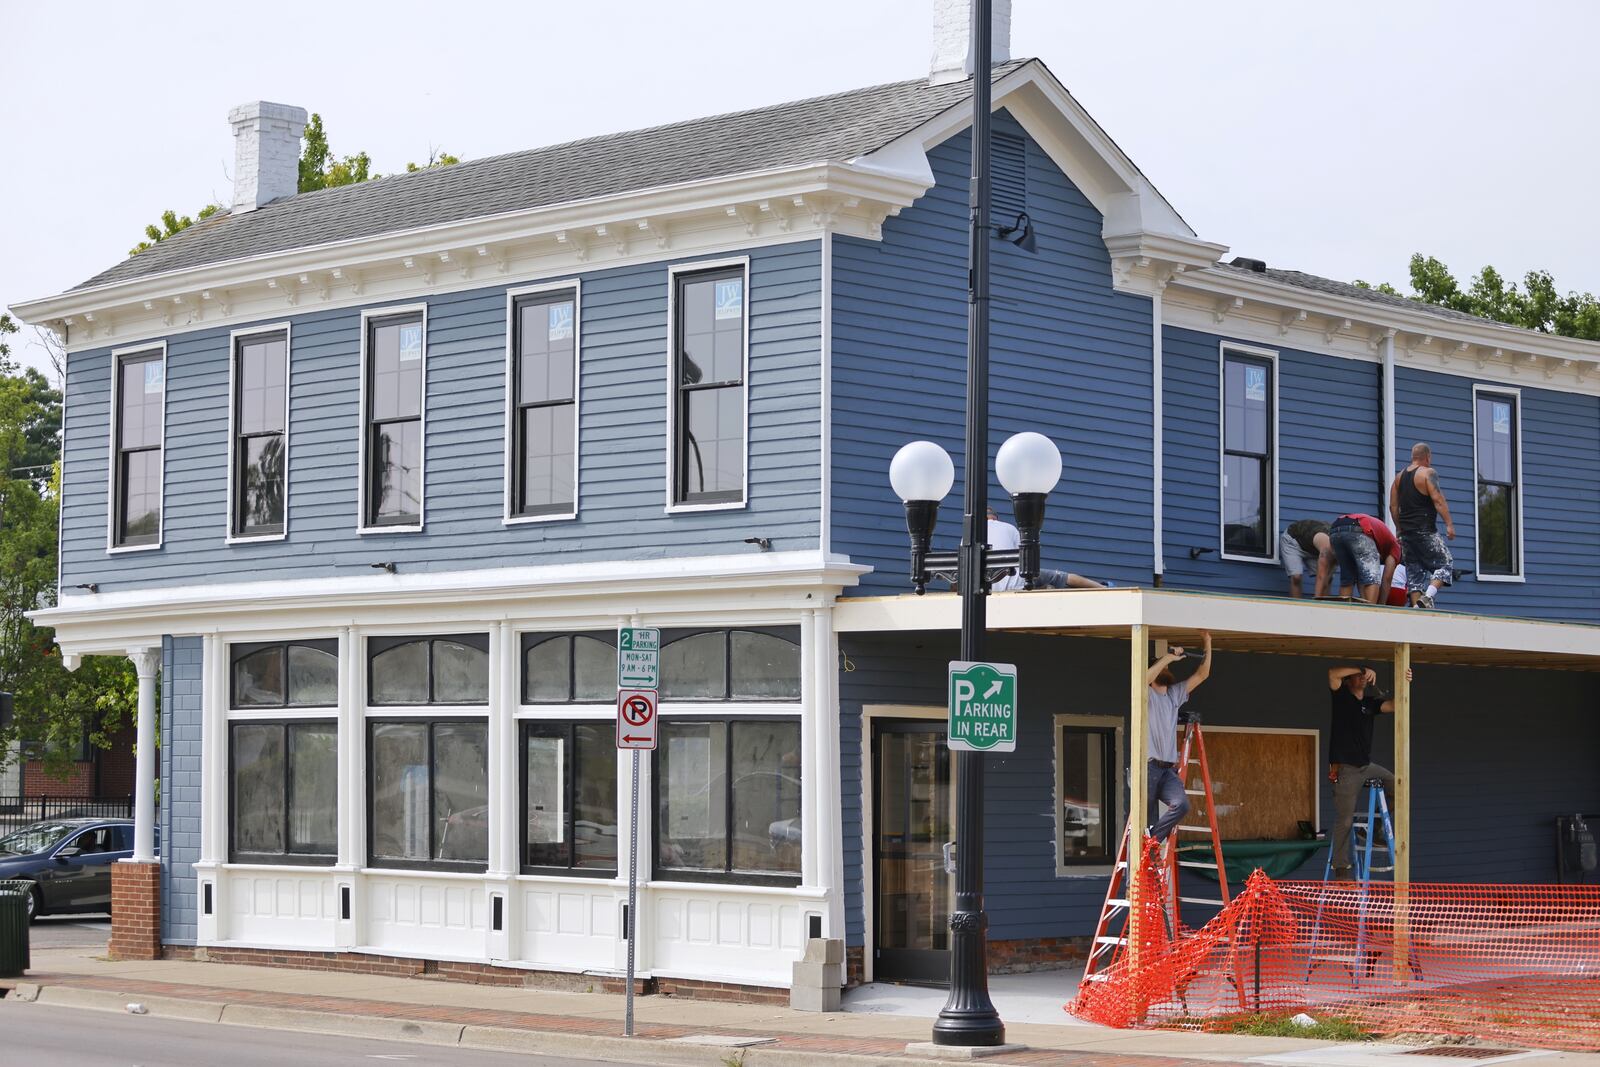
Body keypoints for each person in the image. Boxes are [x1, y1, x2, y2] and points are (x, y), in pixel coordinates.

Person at [1325, 663, 1411, 882]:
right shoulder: (1342, 697)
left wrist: (1405, 682)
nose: (1362, 678)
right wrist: (1361, 668)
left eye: (1363, 676)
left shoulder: (1370, 704)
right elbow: (1333, 673)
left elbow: (1395, 706)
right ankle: (1342, 869)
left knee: (1399, 786)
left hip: (1365, 765)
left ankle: (1376, 827)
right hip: (1345, 768)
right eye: (1357, 676)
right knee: (1345, 819)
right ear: (1349, 681)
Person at [1143, 632, 1212, 842]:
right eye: (1163, 668)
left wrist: (1207, 643)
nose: (1166, 670)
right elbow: (1143, 679)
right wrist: (1168, 657)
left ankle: (1152, 841)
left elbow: (1202, 675)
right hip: (1148, 767)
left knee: (1181, 805)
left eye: (1167, 668)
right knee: (1142, 819)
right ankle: (1138, 865)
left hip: (1167, 770)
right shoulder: (1146, 694)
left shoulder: (1173, 694)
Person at [1389, 443, 1455, 609]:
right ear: (1428, 457)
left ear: (1413, 457)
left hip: (1407, 534)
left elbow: (1393, 506)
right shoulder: (1428, 473)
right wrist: (1449, 524)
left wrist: (1398, 528)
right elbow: (1438, 500)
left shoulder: (1399, 477)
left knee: (1415, 576)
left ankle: (1417, 611)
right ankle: (1428, 597)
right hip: (1424, 530)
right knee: (1445, 563)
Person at [986, 507, 1105, 590]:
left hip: (987, 586)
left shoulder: (974, 533)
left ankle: (1042, 588)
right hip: (1016, 581)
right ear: (996, 518)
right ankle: (1104, 588)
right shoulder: (1009, 528)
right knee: (1062, 577)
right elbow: (1024, 559)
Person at [1315, 513, 1402, 604]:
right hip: (1359, 528)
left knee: (1347, 578)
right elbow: (1387, 579)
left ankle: (1344, 611)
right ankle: (1370, 613)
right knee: (1372, 577)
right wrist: (1381, 605)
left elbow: (1361, 578)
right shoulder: (1396, 548)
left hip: (1335, 530)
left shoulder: (1382, 542)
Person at [1280, 519, 1332, 597]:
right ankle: (1296, 607)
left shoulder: (1340, 547)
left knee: (1328, 579)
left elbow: (1326, 577)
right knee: (1296, 577)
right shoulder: (1326, 542)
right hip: (1293, 542)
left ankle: (1325, 606)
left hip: (1314, 549)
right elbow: (1321, 576)